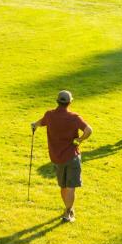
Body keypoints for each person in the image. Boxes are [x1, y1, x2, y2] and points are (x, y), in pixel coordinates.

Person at [32, 90, 92, 222]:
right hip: (72, 157)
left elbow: (41, 122)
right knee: (71, 186)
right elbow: (89, 130)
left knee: (63, 186)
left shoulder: (49, 115)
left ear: (57, 101)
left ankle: (68, 209)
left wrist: (34, 125)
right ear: (70, 102)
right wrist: (80, 140)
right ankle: (68, 212)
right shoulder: (74, 117)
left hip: (57, 158)